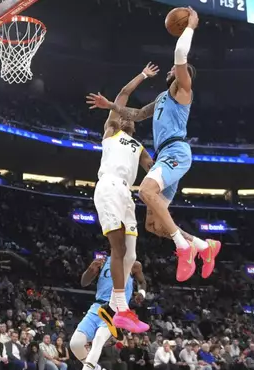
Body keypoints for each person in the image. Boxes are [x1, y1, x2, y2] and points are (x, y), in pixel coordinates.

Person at [85, 7, 221, 283]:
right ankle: (203, 247)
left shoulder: (184, 90)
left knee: (146, 190)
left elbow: (180, 57)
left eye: (176, 70)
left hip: (176, 151)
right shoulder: (161, 97)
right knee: (153, 225)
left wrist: (189, 27)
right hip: (164, 156)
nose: (172, 69)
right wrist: (109, 105)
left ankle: (183, 250)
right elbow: (133, 114)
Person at [85, 64, 157, 335]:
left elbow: (152, 167)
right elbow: (124, 95)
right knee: (118, 248)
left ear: (134, 126)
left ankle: (121, 308)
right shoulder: (111, 132)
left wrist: (167, 168)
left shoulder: (138, 147)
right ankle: (119, 307)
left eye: (130, 119)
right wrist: (142, 75)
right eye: (122, 117)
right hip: (109, 187)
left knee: (132, 253)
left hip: (127, 193)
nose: (126, 119)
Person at [67, 257, 146, 370]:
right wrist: (90, 269)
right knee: (75, 344)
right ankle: (94, 368)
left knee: (99, 340)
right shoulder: (103, 261)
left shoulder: (134, 264)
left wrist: (142, 293)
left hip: (116, 309)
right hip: (97, 307)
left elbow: (142, 282)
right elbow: (84, 282)